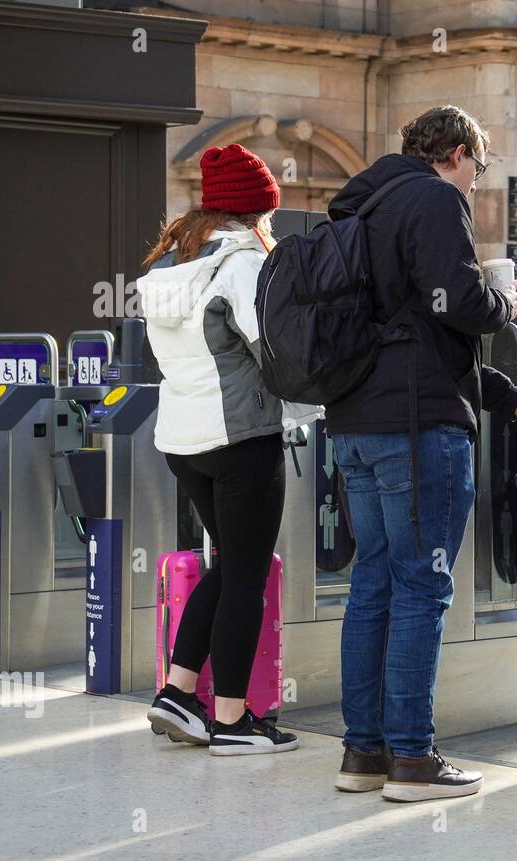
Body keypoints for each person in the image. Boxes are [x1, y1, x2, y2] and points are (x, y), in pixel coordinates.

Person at [324, 105, 517, 801]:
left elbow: (413, 335)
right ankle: (414, 760)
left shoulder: (359, 208)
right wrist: (503, 303)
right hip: (417, 430)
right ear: (456, 153)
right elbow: (456, 304)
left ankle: (362, 755)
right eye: (477, 171)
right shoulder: (432, 197)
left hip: (358, 424)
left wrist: (511, 396)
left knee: (373, 585)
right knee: (422, 588)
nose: (476, 186)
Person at [139, 143, 321, 755]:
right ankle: (233, 721)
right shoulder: (242, 265)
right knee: (246, 576)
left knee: (228, 565)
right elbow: (273, 347)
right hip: (241, 439)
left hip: (183, 441)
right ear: (253, 212)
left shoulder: (170, 263)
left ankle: (177, 692)